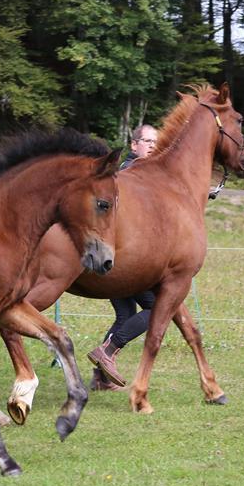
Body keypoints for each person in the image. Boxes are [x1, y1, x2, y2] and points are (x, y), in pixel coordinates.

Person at [87, 124, 158, 390]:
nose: (153, 146)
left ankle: (102, 378)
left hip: (121, 258)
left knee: (125, 314)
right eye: (148, 141)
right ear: (134, 144)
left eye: (156, 143)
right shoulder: (127, 174)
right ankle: (108, 351)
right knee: (159, 306)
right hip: (125, 260)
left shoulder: (142, 174)